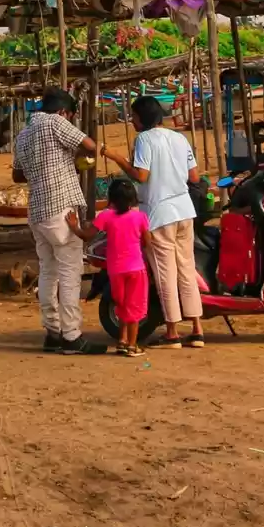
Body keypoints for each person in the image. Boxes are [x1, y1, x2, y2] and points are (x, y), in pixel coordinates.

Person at [104, 94, 205, 349]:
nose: (132, 121)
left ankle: (172, 332)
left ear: (142, 118)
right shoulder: (180, 138)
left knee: (165, 274)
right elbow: (194, 177)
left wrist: (117, 158)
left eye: (134, 117)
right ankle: (196, 328)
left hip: (160, 214)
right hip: (184, 211)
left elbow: (141, 175)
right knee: (186, 269)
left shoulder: (144, 140)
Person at [13, 88, 107, 355]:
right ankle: (72, 336)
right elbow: (89, 146)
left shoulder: (23, 134)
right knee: (69, 274)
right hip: (61, 209)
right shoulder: (56, 122)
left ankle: (52, 332)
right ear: (64, 112)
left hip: (38, 212)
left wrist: (59, 164)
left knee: (48, 272)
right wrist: (86, 158)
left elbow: (18, 176)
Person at [66, 178, 151, 357]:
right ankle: (132, 345)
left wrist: (75, 227)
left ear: (111, 197)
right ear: (133, 199)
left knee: (121, 304)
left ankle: (122, 340)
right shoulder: (140, 217)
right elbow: (147, 243)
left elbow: (87, 235)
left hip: (115, 270)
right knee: (134, 307)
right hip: (136, 268)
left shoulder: (105, 216)